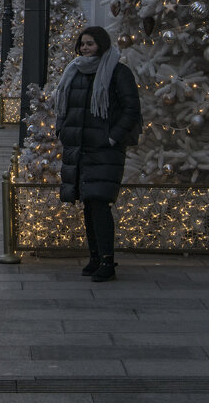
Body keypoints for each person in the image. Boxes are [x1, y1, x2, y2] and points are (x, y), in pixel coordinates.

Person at [53, 26, 142, 283]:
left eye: (90, 44)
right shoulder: (76, 71)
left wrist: (112, 137)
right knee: (88, 204)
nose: (84, 48)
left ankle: (107, 261)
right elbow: (66, 105)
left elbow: (131, 109)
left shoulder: (118, 72)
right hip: (80, 147)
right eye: (82, 44)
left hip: (105, 150)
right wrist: (63, 131)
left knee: (99, 203)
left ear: (101, 45)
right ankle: (94, 257)